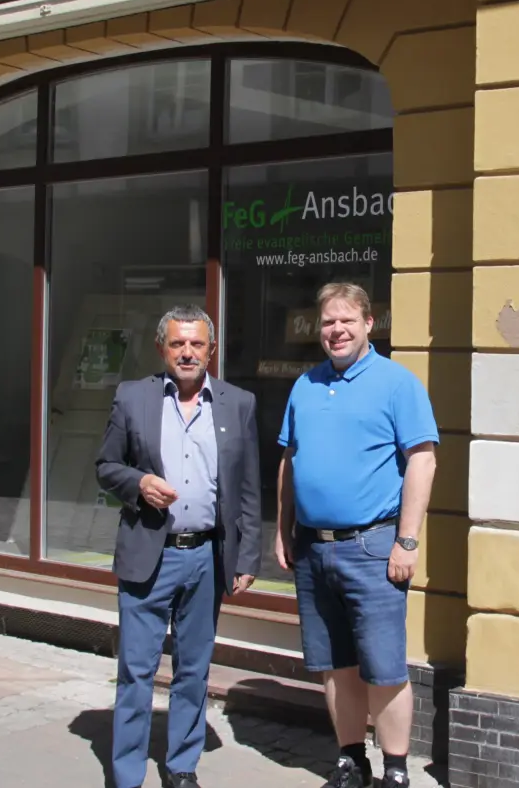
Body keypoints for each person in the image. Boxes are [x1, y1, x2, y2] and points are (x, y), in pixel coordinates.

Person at [275, 282, 439, 788]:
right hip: (314, 548)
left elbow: (423, 459)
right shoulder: (304, 386)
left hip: (374, 548)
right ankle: (351, 762)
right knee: (334, 666)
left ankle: (394, 771)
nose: (336, 330)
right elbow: (288, 461)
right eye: (328, 322)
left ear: (370, 324)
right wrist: (282, 531)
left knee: (384, 668)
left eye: (347, 320)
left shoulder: (396, 383)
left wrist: (407, 540)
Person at [95, 305, 262, 788]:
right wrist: (139, 481)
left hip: (207, 558)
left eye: (196, 344)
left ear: (211, 350)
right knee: (136, 671)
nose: (187, 352)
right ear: (161, 348)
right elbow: (107, 466)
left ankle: (182, 766)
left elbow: (248, 489)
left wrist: (246, 556)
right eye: (177, 344)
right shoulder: (132, 398)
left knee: (194, 670)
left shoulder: (239, 403)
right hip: (150, 553)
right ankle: (126, 774)